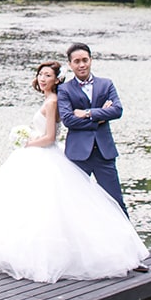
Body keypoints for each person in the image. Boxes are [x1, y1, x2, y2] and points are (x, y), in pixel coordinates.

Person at [0, 60, 149, 283]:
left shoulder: (53, 102)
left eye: (47, 75)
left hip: (43, 153)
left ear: (57, 80)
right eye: (40, 74)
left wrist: (27, 142)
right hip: (42, 154)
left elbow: (50, 137)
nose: (42, 78)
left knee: (42, 206)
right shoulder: (51, 100)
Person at [57, 42, 127, 215]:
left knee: (116, 202)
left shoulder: (106, 84)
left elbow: (117, 110)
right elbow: (69, 120)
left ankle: (126, 240)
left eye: (85, 60)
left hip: (104, 153)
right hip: (78, 155)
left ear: (91, 60)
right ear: (70, 64)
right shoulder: (64, 89)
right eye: (77, 61)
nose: (81, 65)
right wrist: (101, 116)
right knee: (75, 204)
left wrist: (88, 113)